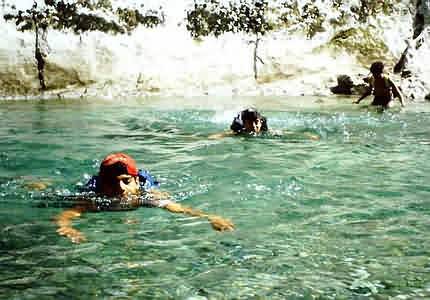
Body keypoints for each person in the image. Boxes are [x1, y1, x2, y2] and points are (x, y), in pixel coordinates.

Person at [55, 153, 234, 243]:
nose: (120, 188)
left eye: (126, 181)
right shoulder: (96, 196)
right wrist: (66, 227)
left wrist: (210, 217)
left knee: (160, 194)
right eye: (112, 183)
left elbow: (178, 208)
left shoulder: (143, 194)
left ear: (135, 181)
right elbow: (69, 213)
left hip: (144, 183)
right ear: (103, 183)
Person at [209, 108, 319, 140]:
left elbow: (285, 133)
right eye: (252, 123)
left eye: (257, 122)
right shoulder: (239, 130)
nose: (256, 126)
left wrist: (307, 136)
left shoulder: (263, 129)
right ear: (246, 123)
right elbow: (223, 135)